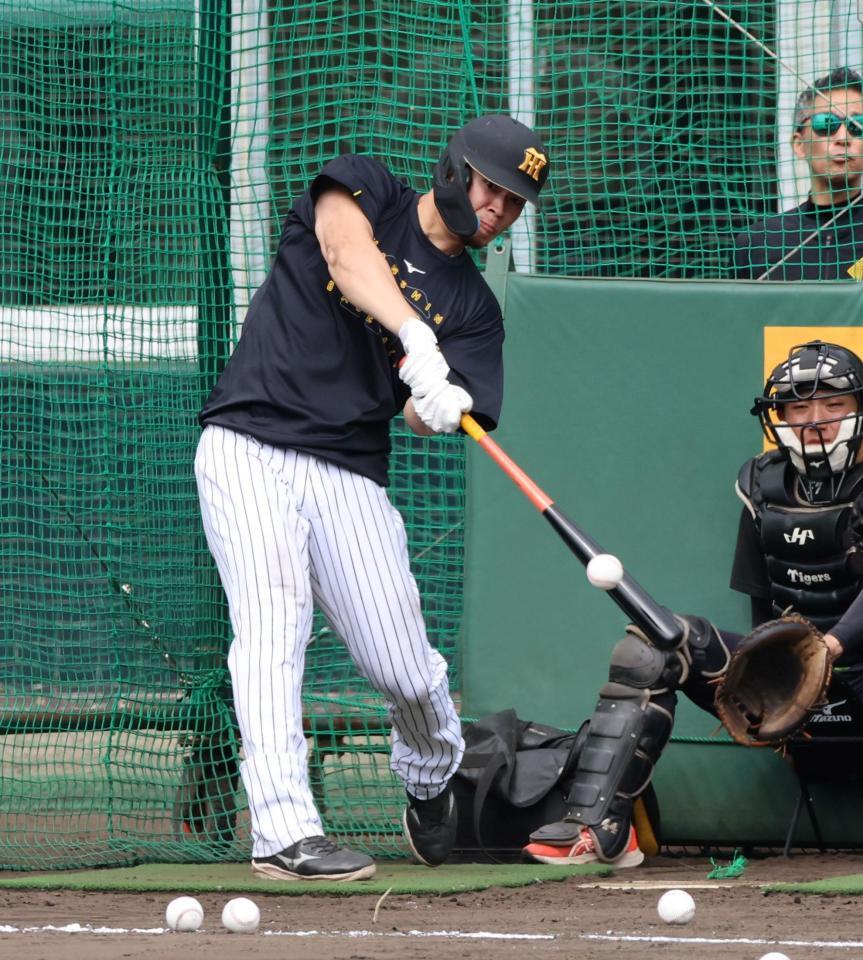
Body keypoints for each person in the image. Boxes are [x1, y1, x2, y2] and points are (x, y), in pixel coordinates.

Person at [193, 116, 550, 881]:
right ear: (456, 170)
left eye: (515, 203)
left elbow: (427, 418)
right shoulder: (366, 186)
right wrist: (414, 337)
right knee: (272, 630)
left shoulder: (477, 308)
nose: (499, 210)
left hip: (349, 470)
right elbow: (344, 255)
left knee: (404, 670)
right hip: (247, 444)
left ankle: (430, 778)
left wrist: (438, 395)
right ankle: (284, 832)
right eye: (494, 188)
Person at [522, 339, 863, 868]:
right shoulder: (761, 485)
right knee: (654, 647)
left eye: (833, 404)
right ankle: (599, 825)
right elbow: (763, 615)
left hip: (853, 676)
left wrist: (828, 650)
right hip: (801, 705)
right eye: (798, 406)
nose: (814, 419)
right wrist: (769, 686)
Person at [731, 67, 863, 280]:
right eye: (826, 123)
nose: (842, 137)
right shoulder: (758, 242)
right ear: (799, 145)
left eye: (857, 126)